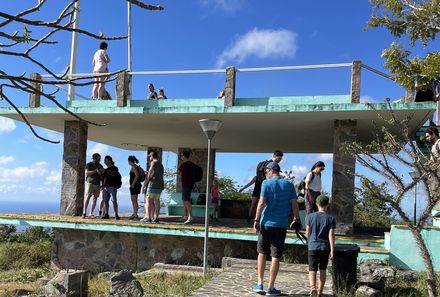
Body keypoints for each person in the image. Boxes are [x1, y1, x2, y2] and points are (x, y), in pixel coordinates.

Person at [252, 162, 300, 296]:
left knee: (262, 252)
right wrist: (296, 219)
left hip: (266, 224)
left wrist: (256, 220)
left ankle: (260, 283)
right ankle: (271, 288)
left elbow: (261, 203)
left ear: (271, 170)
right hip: (281, 225)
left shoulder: (266, 184)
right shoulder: (289, 184)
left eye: (266, 172)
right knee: (276, 256)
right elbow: (294, 204)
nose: (265, 174)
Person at [239, 150, 284, 223]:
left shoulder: (264, 165)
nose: (280, 160)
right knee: (261, 204)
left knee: (255, 205)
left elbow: (250, 183)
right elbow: (269, 178)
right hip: (263, 188)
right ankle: (259, 219)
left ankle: (251, 218)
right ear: (275, 156)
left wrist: (243, 188)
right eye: (279, 158)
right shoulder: (271, 165)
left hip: (257, 190)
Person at [306, 195, 336, 297]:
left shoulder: (310, 216)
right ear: (327, 205)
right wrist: (332, 250)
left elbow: (307, 233)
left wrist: (309, 241)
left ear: (317, 204)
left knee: (312, 269)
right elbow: (331, 235)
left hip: (312, 246)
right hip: (324, 247)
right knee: (322, 269)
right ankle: (320, 291)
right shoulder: (331, 218)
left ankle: (313, 287)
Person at [141, 151, 164, 223]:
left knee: (148, 200)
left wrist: (147, 179)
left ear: (152, 156)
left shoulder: (153, 162)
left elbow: (151, 171)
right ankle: (156, 218)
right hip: (160, 185)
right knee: (157, 201)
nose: (149, 158)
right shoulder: (161, 164)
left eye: (149, 157)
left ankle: (148, 217)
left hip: (153, 184)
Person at [82, 153, 103, 219]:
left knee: (95, 198)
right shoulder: (89, 164)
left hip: (97, 184)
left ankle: (91, 213)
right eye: (99, 158)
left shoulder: (100, 165)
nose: (100, 159)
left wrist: (100, 174)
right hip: (90, 183)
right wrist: (95, 171)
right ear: (95, 158)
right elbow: (87, 173)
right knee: (88, 196)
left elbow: (102, 175)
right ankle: (84, 212)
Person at [178, 151, 196, 224]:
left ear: (184, 156)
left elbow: (179, 172)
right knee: (184, 200)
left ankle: (190, 217)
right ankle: (185, 216)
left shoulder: (184, 164)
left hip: (186, 184)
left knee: (186, 200)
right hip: (190, 184)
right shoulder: (192, 164)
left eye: (182, 155)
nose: (181, 157)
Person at [426, 126, 440, 217]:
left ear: (433, 134)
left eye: (428, 136)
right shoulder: (433, 146)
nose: (427, 138)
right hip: (434, 171)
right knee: (434, 190)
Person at [101, 155, 120, 220]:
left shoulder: (115, 168)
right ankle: (106, 214)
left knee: (114, 201)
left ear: (109, 161)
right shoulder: (105, 170)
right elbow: (103, 178)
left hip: (112, 186)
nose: (104, 162)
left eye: (105, 160)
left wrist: (105, 171)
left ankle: (116, 214)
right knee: (105, 201)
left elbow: (113, 175)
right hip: (105, 187)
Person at [128, 155, 142, 220]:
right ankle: (134, 213)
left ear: (129, 161)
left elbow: (137, 176)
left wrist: (133, 184)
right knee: (134, 200)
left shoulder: (134, 167)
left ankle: (135, 214)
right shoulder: (135, 166)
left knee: (134, 200)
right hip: (136, 185)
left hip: (135, 185)